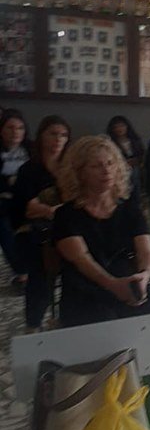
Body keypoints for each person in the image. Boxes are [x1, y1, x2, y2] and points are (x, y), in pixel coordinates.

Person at [54, 135, 150, 430]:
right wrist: (113, 286)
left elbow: (146, 252)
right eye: (96, 166)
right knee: (102, 328)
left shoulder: (128, 209)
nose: (106, 171)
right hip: (87, 289)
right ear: (79, 172)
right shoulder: (66, 215)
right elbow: (82, 260)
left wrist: (144, 276)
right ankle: (102, 409)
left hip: (130, 283)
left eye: (110, 164)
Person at [12, 116, 71, 331]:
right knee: (41, 270)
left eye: (63, 135)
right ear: (41, 136)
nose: (58, 139)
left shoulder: (71, 168)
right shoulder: (29, 169)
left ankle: (69, 318)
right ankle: (33, 323)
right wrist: (58, 210)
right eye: (53, 134)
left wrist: (55, 211)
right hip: (35, 230)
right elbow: (31, 209)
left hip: (68, 226)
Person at [0, 108, 31, 291]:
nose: (15, 132)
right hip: (4, 201)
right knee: (4, 224)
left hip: (28, 198)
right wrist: (8, 183)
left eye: (20, 128)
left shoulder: (30, 149)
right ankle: (22, 272)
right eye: (10, 128)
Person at [106, 115, 144, 207]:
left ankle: (135, 200)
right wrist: (123, 163)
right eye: (116, 127)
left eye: (122, 126)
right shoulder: (110, 142)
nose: (120, 129)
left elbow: (141, 154)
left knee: (134, 172)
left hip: (134, 166)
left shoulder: (135, 140)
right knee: (130, 173)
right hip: (118, 169)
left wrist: (135, 161)